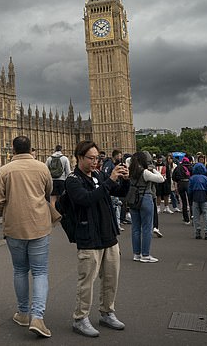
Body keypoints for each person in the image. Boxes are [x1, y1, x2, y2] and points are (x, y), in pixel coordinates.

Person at [0, 135, 54, 338]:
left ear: (13, 150)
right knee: (40, 272)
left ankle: (23, 313)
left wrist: (8, 209)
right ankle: (38, 317)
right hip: (39, 226)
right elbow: (48, 190)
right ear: (31, 148)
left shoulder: (5, 170)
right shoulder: (42, 167)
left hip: (14, 227)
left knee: (19, 270)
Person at [65, 140, 129, 338]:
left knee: (111, 277)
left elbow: (119, 192)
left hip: (108, 234)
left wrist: (124, 179)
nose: (95, 162)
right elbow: (86, 199)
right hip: (88, 237)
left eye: (98, 158)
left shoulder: (99, 175)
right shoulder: (73, 179)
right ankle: (80, 318)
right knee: (87, 281)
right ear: (79, 158)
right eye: (91, 158)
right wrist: (109, 181)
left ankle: (107, 312)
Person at [128, 152, 164, 262]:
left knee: (135, 228)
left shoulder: (131, 171)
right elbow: (161, 179)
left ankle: (136, 254)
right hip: (145, 198)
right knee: (147, 227)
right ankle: (145, 254)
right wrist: (152, 169)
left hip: (133, 199)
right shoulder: (145, 172)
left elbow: (128, 160)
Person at [188, 162, 207, 240]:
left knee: (196, 216)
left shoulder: (192, 178)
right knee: (206, 215)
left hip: (195, 196)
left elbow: (189, 190)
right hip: (204, 196)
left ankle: (197, 232)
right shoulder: (205, 178)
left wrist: (190, 199)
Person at [173, 157, 192, 225]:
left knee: (184, 202)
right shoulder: (190, 167)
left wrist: (177, 183)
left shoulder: (178, 167)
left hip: (180, 184)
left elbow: (173, 177)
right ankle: (192, 216)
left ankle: (186, 219)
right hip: (188, 183)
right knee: (191, 201)